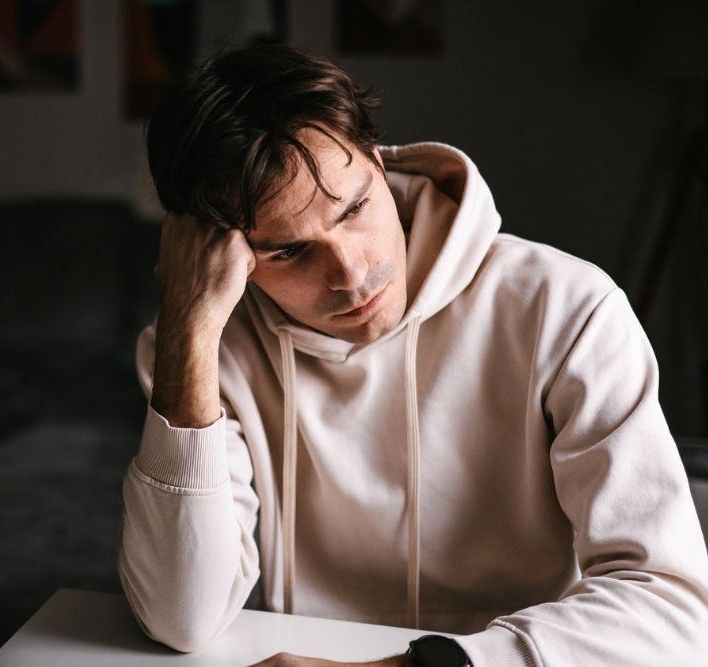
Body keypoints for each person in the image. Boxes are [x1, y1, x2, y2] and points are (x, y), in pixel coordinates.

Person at [117, 42, 708, 666]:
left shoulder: (568, 310)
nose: (350, 273)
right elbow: (180, 619)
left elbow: (675, 611)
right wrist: (188, 330)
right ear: (218, 252)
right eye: (288, 252)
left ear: (379, 160)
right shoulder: (201, 351)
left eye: (354, 209)